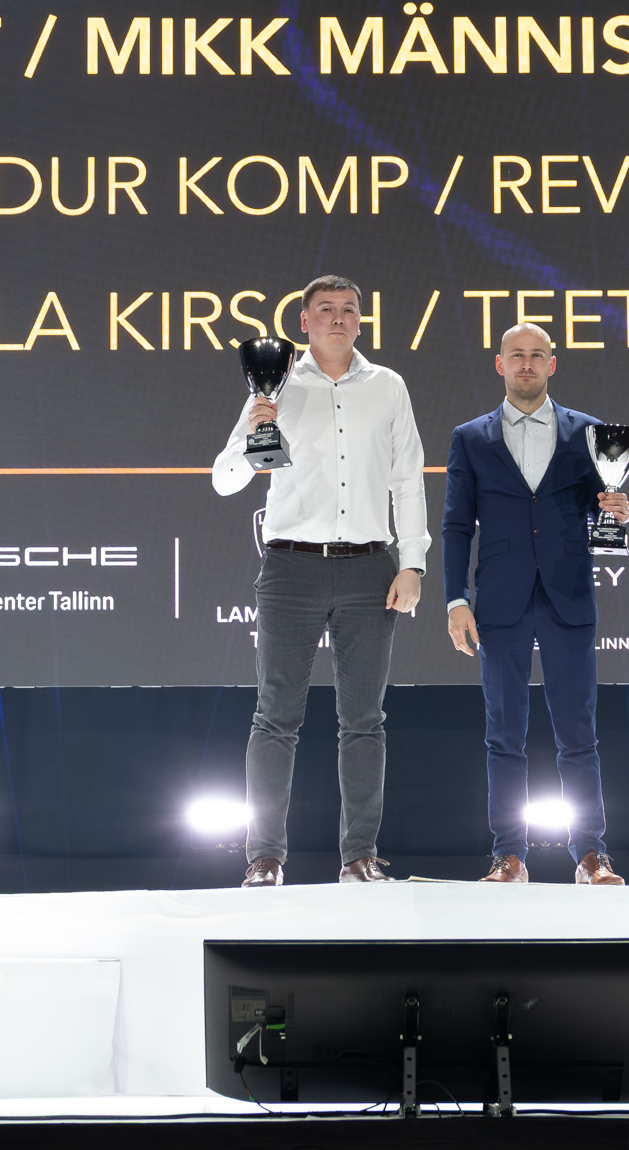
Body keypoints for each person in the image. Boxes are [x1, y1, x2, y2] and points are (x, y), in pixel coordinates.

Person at [211, 275, 427, 887]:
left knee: (364, 719)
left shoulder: (387, 386)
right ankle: (264, 858)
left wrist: (412, 563)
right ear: (304, 321)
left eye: (349, 310)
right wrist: (256, 431)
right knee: (275, 716)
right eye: (326, 309)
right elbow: (225, 481)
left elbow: (407, 479)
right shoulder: (277, 385)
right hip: (291, 568)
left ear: (360, 320)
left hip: (369, 567)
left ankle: (359, 857)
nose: (338, 318)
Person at [440, 323, 629, 885]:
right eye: (516, 355)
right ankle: (509, 855)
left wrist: (616, 510)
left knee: (578, 733)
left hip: (567, 594)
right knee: (504, 735)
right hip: (498, 599)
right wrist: (456, 598)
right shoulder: (469, 437)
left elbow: (601, 507)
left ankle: (591, 855)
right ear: (500, 364)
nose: (526, 364)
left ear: (553, 364)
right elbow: (456, 525)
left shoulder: (591, 433)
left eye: (537, 355)